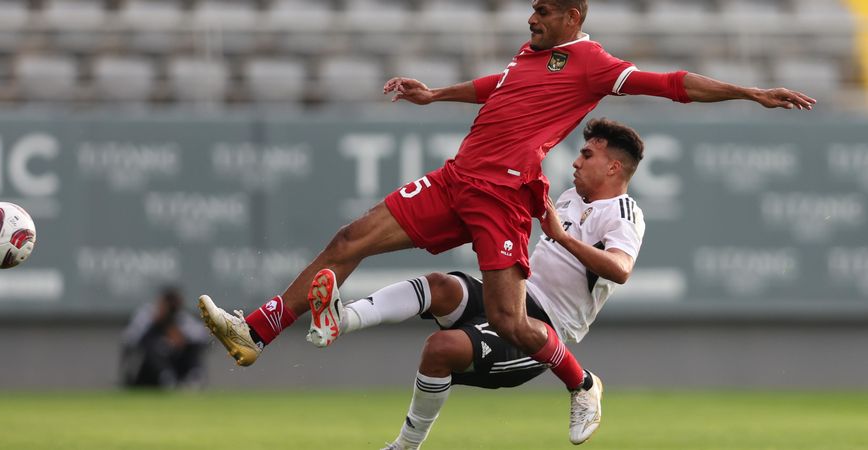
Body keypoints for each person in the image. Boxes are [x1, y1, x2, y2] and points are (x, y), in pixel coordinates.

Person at [198, 0, 814, 436]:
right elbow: (501, 85)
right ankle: (256, 332)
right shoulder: (530, 54)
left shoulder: (594, 64)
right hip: (456, 178)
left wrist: (749, 91)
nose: (532, 16)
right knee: (348, 239)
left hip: (503, 195)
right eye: (533, 9)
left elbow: (672, 83)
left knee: (507, 320)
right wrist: (436, 94)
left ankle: (582, 385)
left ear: (574, 16)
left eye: (545, 10)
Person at [311, 118, 645, 448]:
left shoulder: (623, 212)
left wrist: (560, 236)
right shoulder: (572, 196)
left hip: (546, 328)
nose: (576, 161)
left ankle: (406, 446)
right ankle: (341, 321)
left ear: (614, 167)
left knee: (440, 350)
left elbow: (620, 268)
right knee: (439, 286)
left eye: (587, 155)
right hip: (517, 297)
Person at [120, 286, 209, 388]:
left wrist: (182, 338)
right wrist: (154, 324)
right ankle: (166, 379)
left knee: (192, 349)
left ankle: (194, 380)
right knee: (153, 349)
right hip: (147, 370)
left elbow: (203, 337)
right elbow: (129, 339)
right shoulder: (147, 314)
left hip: (176, 365)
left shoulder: (181, 318)